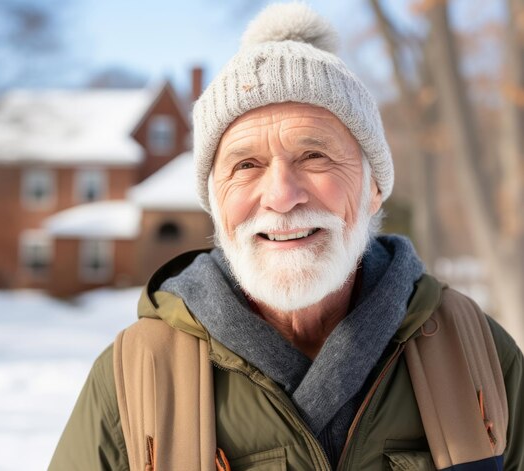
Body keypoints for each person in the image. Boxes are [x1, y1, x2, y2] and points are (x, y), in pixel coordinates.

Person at [49, 3, 524, 470]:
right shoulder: (136, 380)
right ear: (215, 202)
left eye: (315, 156)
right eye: (246, 165)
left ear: (374, 187)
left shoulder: (475, 355)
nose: (281, 195)